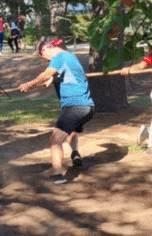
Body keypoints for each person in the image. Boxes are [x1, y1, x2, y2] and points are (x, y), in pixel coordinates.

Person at [18, 37, 95, 183]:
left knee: (55, 140)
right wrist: (48, 80)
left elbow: (46, 74)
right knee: (70, 131)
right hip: (87, 107)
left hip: (75, 106)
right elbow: (51, 78)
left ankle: (57, 175)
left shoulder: (60, 56)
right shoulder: (70, 57)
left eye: (42, 54)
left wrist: (29, 84)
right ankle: (75, 153)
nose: (44, 58)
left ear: (47, 48)